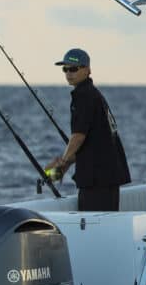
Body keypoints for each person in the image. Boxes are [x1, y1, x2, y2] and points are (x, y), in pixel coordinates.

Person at [46, 48, 131, 211]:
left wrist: (61, 164)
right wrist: (59, 170)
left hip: (97, 179)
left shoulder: (84, 96)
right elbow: (87, 143)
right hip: (106, 176)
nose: (68, 73)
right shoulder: (93, 94)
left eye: (73, 69)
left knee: (96, 227)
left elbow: (78, 137)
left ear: (87, 70)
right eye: (65, 69)